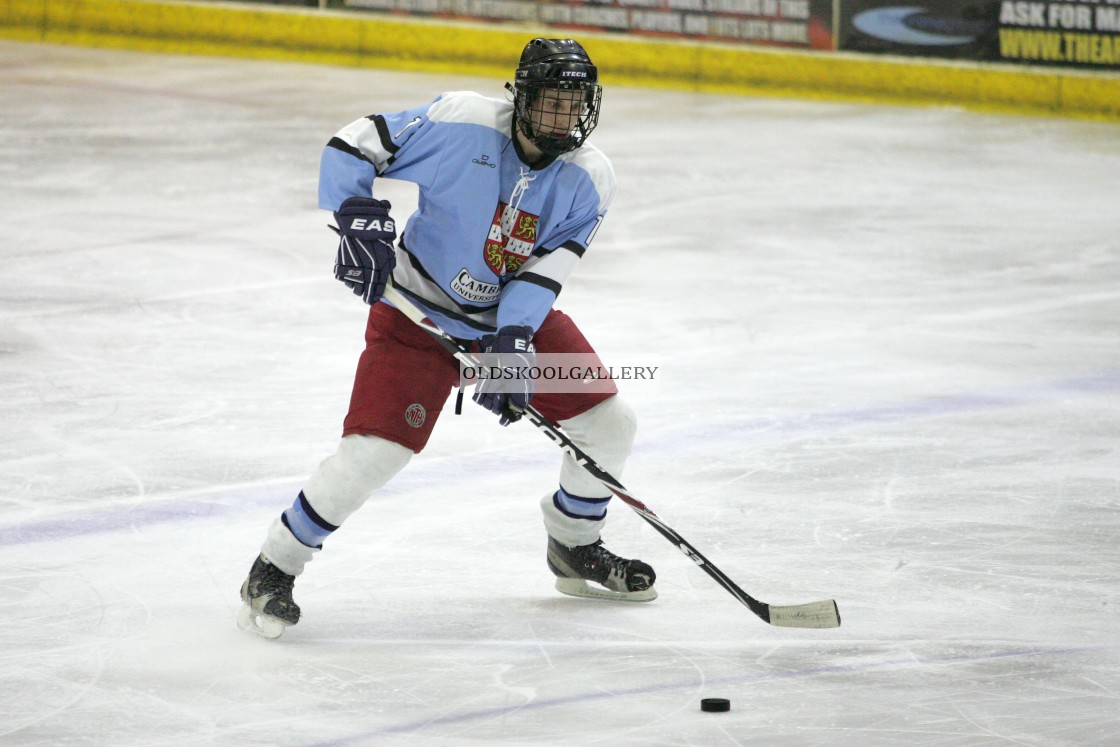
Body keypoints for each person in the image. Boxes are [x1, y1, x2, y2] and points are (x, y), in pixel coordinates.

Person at [237, 38, 655, 639]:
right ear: (523, 98)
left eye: (575, 103)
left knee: (610, 422)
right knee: (376, 453)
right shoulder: (462, 122)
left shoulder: (590, 179)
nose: (564, 117)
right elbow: (355, 142)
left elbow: (543, 273)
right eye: (552, 102)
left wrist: (512, 341)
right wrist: (357, 212)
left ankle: (574, 546)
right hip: (415, 315)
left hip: (505, 324)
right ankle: (274, 567)